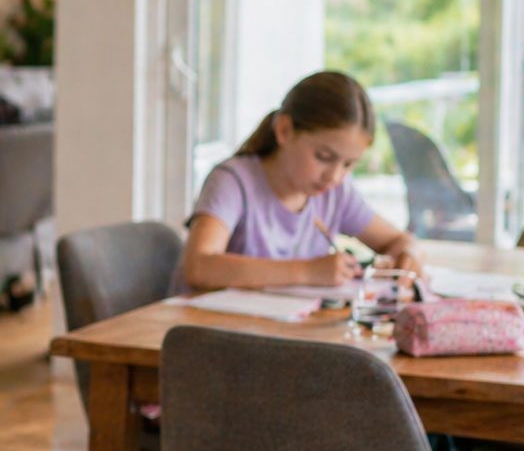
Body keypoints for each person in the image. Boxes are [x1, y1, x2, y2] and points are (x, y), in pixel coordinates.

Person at [176, 70, 425, 294]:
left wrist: (407, 255)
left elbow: (399, 241)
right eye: (324, 157)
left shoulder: (335, 193)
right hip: (211, 336)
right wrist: (308, 271)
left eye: (349, 164)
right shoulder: (232, 182)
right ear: (284, 130)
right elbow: (199, 266)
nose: (335, 176)